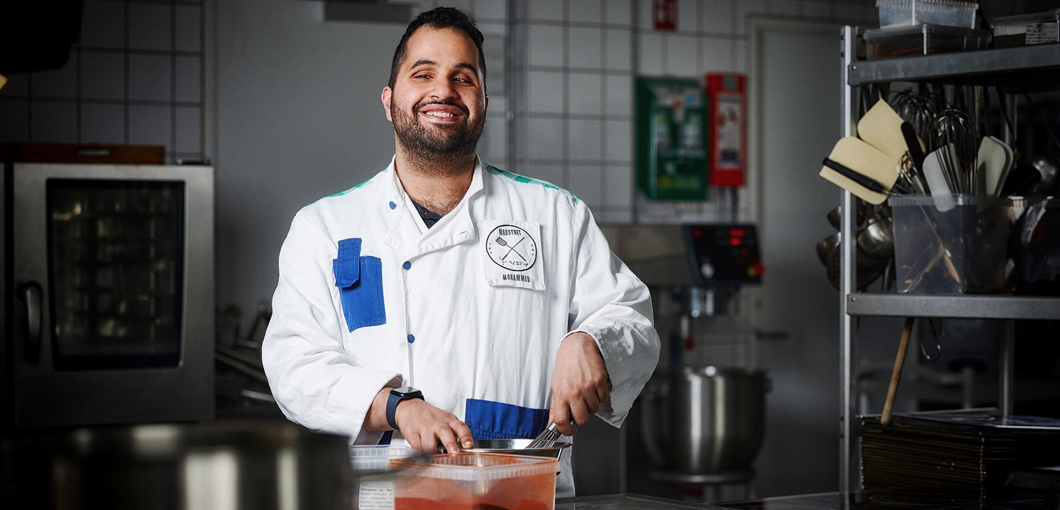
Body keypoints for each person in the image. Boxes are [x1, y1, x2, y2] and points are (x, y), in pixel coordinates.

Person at [261, 7, 659, 497]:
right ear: (389, 100)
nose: (443, 91)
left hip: (519, 494)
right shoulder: (324, 226)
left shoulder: (555, 214)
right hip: (378, 498)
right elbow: (294, 363)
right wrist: (397, 407)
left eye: (462, 77)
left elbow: (632, 318)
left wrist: (591, 341)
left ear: (484, 101)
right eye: (423, 73)